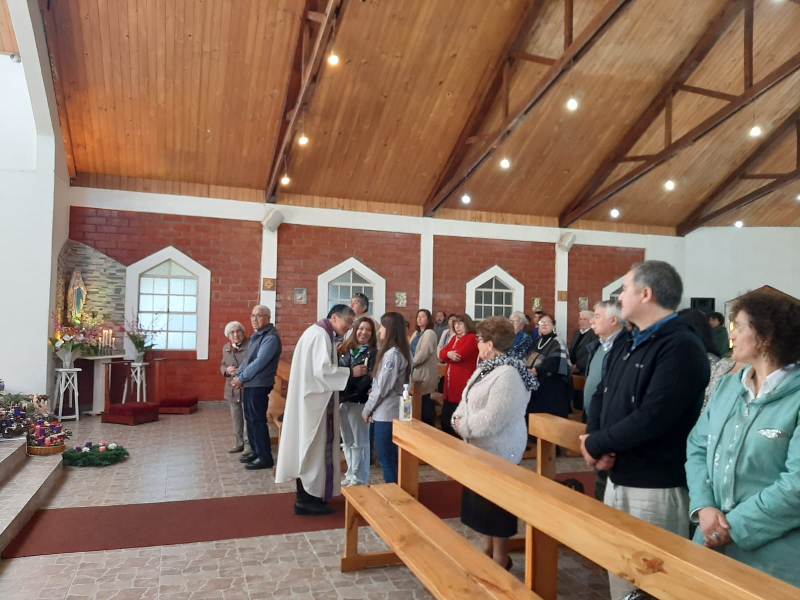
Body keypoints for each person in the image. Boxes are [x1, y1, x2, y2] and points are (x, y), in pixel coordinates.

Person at [580, 261, 709, 600]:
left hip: (655, 485)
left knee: (652, 585)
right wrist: (596, 439)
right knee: (621, 577)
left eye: (624, 289)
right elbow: (603, 393)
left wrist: (597, 443)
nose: (619, 296)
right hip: (617, 476)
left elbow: (654, 416)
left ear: (646, 294)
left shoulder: (681, 346)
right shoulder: (627, 341)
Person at [686, 291, 800, 587]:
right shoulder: (728, 387)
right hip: (711, 542)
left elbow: (796, 485)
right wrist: (704, 506)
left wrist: (733, 527)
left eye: (738, 326)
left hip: (774, 559)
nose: (731, 334)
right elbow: (697, 447)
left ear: (766, 336)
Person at [451, 317, 538, 570]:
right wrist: (458, 418)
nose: (476, 344)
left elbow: (493, 418)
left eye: (479, 340)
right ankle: (486, 551)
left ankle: (500, 559)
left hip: (500, 451)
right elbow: (465, 400)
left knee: (496, 510)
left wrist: (463, 425)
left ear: (490, 344)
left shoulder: (508, 374)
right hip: (479, 449)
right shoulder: (486, 368)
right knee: (481, 509)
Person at [275, 304, 355, 515]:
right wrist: (350, 372)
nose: (349, 328)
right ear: (335, 318)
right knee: (312, 451)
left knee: (309, 449)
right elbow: (323, 371)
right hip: (315, 406)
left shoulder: (317, 332)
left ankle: (310, 497)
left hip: (311, 401)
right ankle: (306, 500)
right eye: (348, 322)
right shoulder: (320, 336)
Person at [362, 312, 411, 484]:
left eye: (382, 327)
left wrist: (368, 409)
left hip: (387, 413)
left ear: (390, 329)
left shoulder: (392, 354)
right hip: (394, 408)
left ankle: (394, 492)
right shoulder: (401, 351)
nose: (379, 330)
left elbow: (383, 387)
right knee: (391, 458)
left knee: (387, 458)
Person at [232, 306, 282, 471]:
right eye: (252, 315)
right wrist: (239, 373)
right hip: (251, 383)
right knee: (250, 419)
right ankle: (256, 451)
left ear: (268, 317)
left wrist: (242, 378)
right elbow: (248, 360)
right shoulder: (257, 335)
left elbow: (259, 362)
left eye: (259, 316)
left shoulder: (270, 338)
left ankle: (265, 457)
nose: (254, 319)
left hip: (260, 384)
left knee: (258, 421)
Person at [338, 316, 378, 487]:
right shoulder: (345, 349)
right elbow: (338, 372)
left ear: (372, 334)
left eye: (368, 330)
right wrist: (350, 375)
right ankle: (350, 473)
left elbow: (369, 378)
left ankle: (360, 477)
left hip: (359, 401)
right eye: (361, 328)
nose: (363, 332)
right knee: (347, 440)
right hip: (342, 400)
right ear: (355, 330)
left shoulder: (374, 353)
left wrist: (349, 385)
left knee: (360, 441)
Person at [439, 313, 479, 437]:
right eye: (455, 324)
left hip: (462, 386)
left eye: (460, 324)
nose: (457, 327)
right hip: (450, 387)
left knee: (456, 424)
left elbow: (459, 355)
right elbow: (441, 354)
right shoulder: (454, 339)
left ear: (467, 324)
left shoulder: (471, 338)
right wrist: (448, 354)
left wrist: (448, 354)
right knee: (445, 421)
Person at [527, 314, 572, 418]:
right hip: (536, 384)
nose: (544, 324)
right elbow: (528, 359)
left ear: (553, 325)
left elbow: (555, 361)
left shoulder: (558, 341)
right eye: (541, 322)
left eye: (547, 322)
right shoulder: (537, 342)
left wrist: (537, 369)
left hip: (554, 387)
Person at [220, 321, 250, 454]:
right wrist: (226, 370)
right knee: (236, 417)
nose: (236, 335)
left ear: (243, 332)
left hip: (246, 387)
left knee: (248, 418)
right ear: (228, 335)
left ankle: (249, 445)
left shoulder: (250, 345)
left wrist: (240, 371)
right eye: (232, 332)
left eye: (238, 331)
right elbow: (222, 365)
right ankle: (239, 443)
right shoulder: (226, 347)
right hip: (232, 389)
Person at [409, 309, 440, 427]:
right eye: (418, 316)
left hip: (424, 373)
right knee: (417, 404)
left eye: (422, 316)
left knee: (425, 404)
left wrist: (411, 363)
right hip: (414, 372)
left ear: (428, 319)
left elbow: (424, 353)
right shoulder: (416, 333)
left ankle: (428, 429)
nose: (419, 318)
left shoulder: (429, 333)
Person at [570, 310, 599, 376]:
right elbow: (572, 349)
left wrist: (577, 366)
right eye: (580, 319)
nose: (581, 321)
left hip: (585, 371)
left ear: (591, 321)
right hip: (573, 370)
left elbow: (591, 354)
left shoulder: (594, 334)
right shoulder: (577, 333)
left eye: (585, 319)